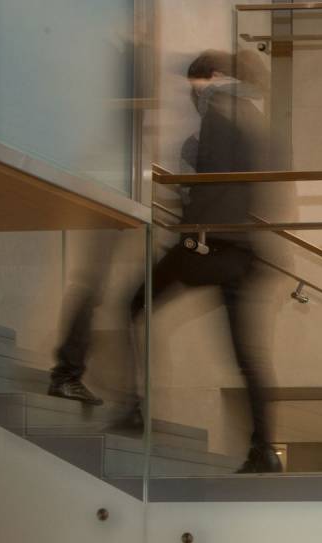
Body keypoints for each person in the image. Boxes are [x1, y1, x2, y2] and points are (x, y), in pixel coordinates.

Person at [61, 51, 280, 473]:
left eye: (195, 84)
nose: (192, 94)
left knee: (133, 305)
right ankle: (265, 447)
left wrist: (185, 204)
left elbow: (207, 179)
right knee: (246, 355)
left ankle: (133, 406)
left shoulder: (219, 113)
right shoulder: (257, 125)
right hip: (243, 251)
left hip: (203, 245)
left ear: (213, 78)